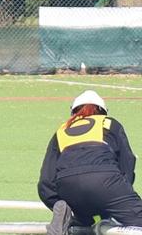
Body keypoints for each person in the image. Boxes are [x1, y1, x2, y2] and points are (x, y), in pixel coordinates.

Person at [41, 90, 142, 235]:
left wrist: (57, 202)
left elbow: (46, 181)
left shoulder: (62, 130)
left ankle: (75, 218)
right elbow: (127, 164)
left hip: (68, 188)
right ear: (103, 111)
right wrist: (120, 197)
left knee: (84, 217)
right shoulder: (109, 123)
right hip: (105, 181)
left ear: (73, 112)